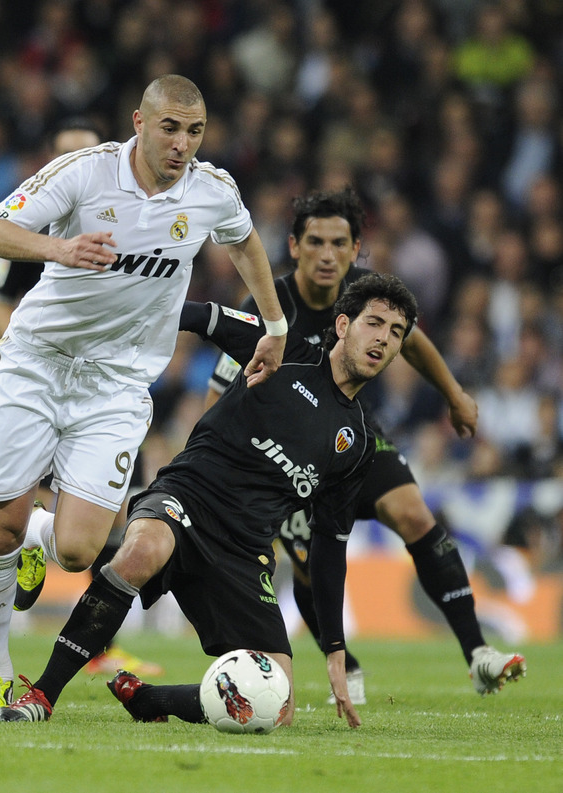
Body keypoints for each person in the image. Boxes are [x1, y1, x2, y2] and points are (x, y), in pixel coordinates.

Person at [0, 74, 287, 721]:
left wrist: (275, 324)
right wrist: (59, 246)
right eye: (170, 128)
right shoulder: (84, 173)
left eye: (194, 131)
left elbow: (246, 241)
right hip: (36, 364)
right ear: (140, 123)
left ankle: (41, 536)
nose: (182, 143)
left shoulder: (210, 191)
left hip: (115, 385)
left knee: (82, 549)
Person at [0, 272, 419, 728]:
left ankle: (151, 700)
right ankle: (41, 695)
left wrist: (335, 648)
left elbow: (330, 546)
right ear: (342, 325)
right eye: (374, 323)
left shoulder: (355, 445)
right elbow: (198, 315)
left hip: (244, 550)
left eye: (396, 333)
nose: (383, 339)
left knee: (279, 707)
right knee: (143, 550)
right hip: (187, 497)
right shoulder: (285, 350)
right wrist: (114, 328)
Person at [205, 188, 526, 701]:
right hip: (286, 461)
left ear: (356, 249)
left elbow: (414, 340)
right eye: (316, 242)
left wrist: (454, 394)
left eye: (340, 242)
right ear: (295, 245)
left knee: (417, 516)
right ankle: (345, 666)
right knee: (312, 568)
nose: (327, 254)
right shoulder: (269, 305)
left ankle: (478, 654)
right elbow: (221, 388)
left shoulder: (367, 296)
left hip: (355, 440)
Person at [0, 118, 162, 678]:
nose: (79, 161)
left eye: (87, 151)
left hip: (103, 389)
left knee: (96, 527)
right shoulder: (33, 227)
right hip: (38, 385)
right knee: (6, 514)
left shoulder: (127, 220)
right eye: (66, 153)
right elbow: (2, 308)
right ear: (53, 162)